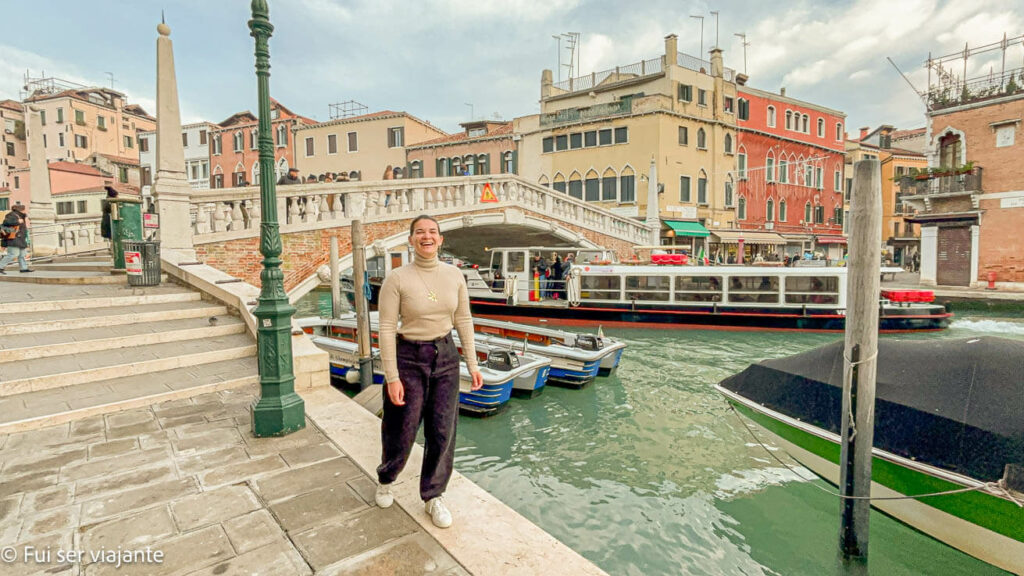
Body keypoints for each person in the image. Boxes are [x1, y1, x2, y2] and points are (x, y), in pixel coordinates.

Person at [374, 215, 483, 529]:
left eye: (432, 232)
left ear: (440, 239)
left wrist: (473, 365)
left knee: (442, 430)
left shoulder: (454, 275)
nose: (427, 237)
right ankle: (386, 477)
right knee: (402, 427)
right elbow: (384, 328)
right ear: (411, 240)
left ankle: (434, 495)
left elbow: (464, 320)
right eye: (420, 232)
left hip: (446, 356)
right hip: (409, 356)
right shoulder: (397, 279)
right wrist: (391, 376)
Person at [0, 202, 33, 274]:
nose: (25, 211)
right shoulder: (11, 215)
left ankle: (23, 268)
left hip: (20, 239)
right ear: (21, 210)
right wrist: (17, 221)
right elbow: (6, 222)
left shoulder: (21, 216)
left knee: (22, 255)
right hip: (13, 239)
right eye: (24, 210)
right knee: (13, 254)